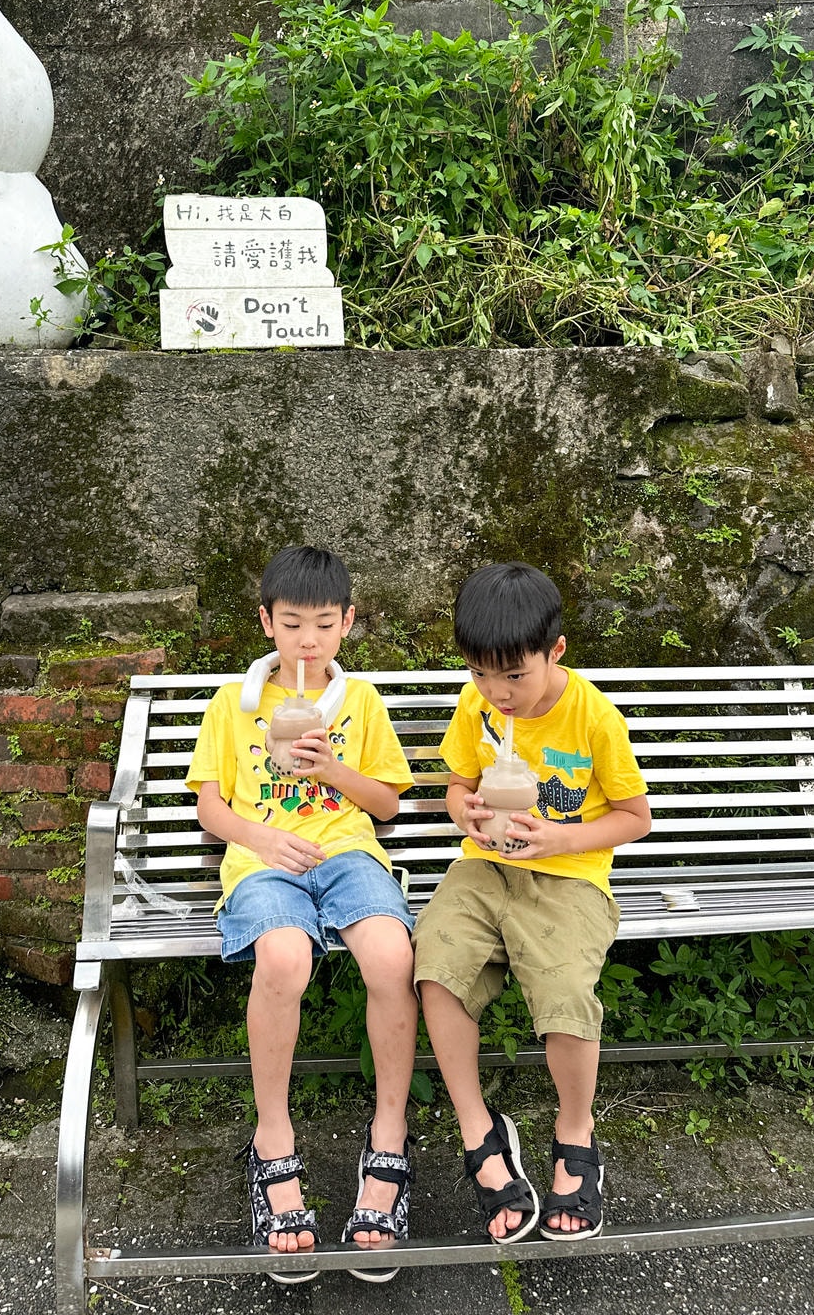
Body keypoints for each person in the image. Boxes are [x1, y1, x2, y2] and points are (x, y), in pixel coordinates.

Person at [187, 545, 417, 1283]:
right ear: (267, 622)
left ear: (347, 623)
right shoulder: (236, 704)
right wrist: (261, 838)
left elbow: (386, 805)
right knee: (284, 957)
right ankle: (273, 1142)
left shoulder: (362, 704)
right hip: (263, 860)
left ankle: (389, 1136)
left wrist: (331, 767)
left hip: (349, 855)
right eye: (292, 624)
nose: (308, 641)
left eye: (323, 624)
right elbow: (210, 807)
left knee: (391, 956)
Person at [412, 561, 651, 1245]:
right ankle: (478, 1130)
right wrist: (468, 815)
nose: (498, 691)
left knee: (566, 991)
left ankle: (575, 1133)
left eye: (514, 674)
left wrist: (558, 838)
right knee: (434, 966)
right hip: (485, 869)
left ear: (556, 652)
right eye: (483, 674)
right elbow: (457, 788)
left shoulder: (593, 717)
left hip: (569, 877)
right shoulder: (478, 706)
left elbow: (636, 818)